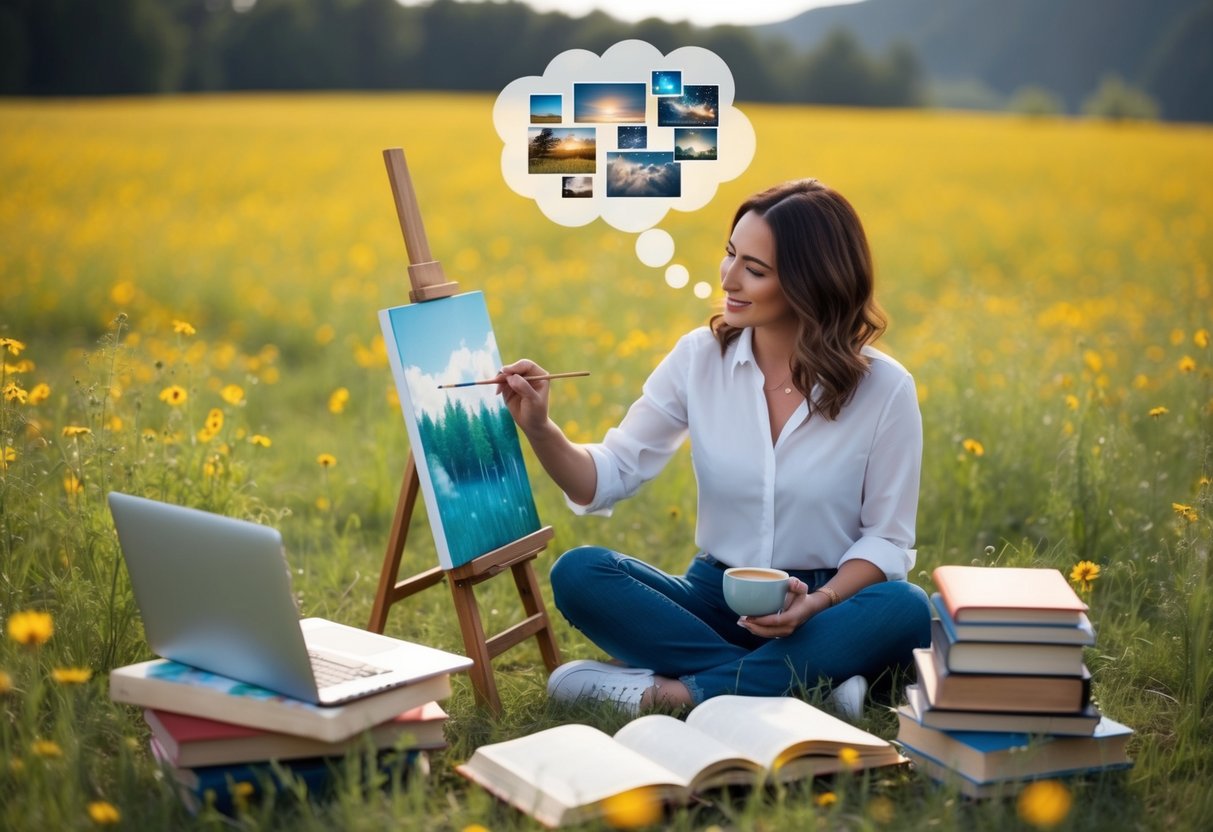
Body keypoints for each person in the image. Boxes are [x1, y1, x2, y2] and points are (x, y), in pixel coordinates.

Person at [497, 179, 931, 718]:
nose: (728, 277)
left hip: (827, 603)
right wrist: (541, 427)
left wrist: (817, 602)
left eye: (755, 268)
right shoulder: (698, 358)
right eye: (730, 254)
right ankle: (807, 684)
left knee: (906, 606)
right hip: (717, 596)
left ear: (812, 282)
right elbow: (604, 476)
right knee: (579, 573)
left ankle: (684, 692)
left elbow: (887, 540)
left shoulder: (885, 389)